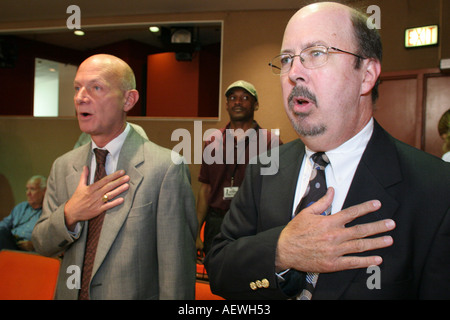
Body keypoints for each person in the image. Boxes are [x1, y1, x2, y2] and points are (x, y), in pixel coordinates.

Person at [205, 2, 450, 299]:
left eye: (316, 53)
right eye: (286, 59)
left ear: (367, 74)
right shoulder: (265, 168)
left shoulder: (437, 189)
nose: (294, 72)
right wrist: (280, 251)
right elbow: (218, 269)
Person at [32, 54, 197, 300]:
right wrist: (69, 214)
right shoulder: (63, 166)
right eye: (77, 88)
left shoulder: (166, 168)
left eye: (96, 87)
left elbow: (176, 272)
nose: (80, 97)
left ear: (128, 100)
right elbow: (40, 243)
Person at [196, 80, 280, 257]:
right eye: (233, 98)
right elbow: (206, 189)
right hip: (217, 222)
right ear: (227, 105)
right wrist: (196, 231)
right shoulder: (212, 141)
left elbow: (276, 193)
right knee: (217, 279)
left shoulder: (271, 143)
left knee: (248, 280)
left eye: (245, 98)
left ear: (255, 104)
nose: (238, 102)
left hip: (253, 224)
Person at [0, 175, 46, 251]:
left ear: (44, 191)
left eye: (32, 189)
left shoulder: (48, 212)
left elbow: (51, 239)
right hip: (12, 241)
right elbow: (5, 224)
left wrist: (34, 245)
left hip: (28, 249)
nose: (28, 193)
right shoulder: (21, 207)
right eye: (27, 189)